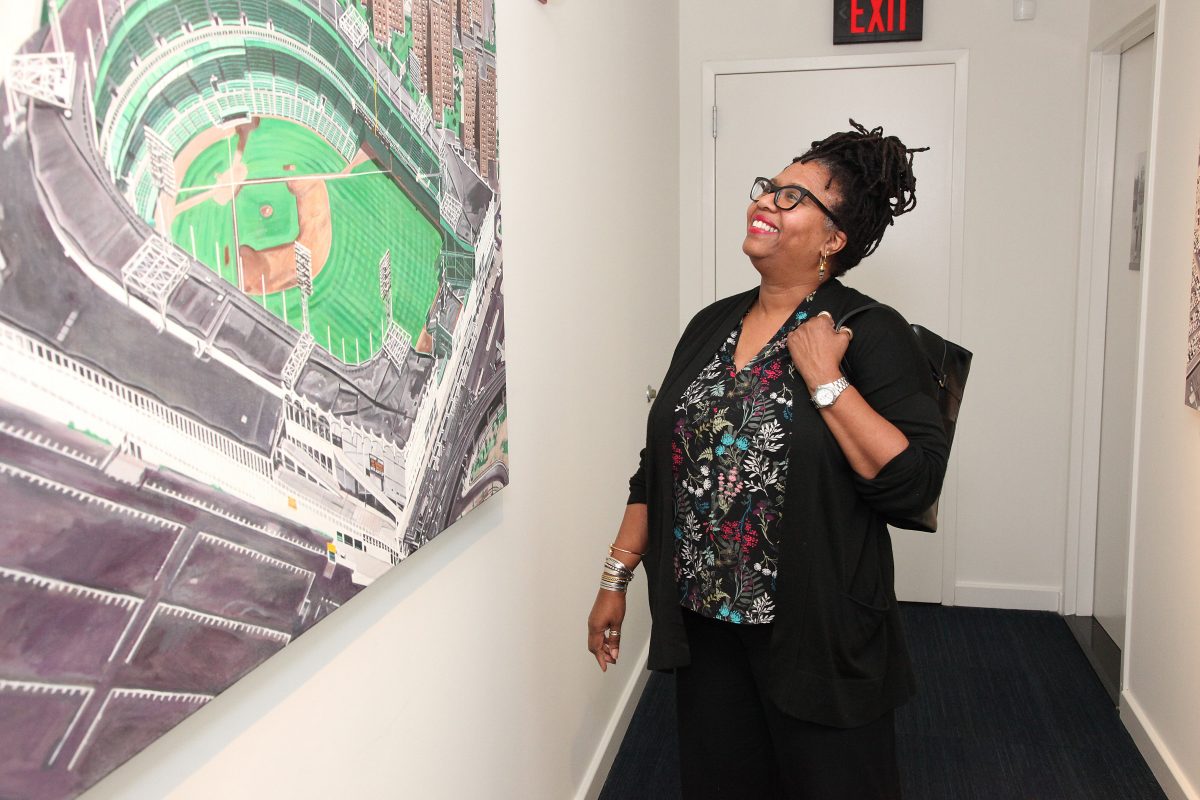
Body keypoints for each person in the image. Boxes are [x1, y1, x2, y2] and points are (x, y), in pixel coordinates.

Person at [586, 120, 949, 799]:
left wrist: (827, 382)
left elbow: (914, 484)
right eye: (769, 188)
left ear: (834, 240)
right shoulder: (709, 325)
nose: (767, 203)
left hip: (817, 631)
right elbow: (657, 465)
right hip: (708, 625)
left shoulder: (867, 331)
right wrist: (616, 575)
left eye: (793, 197)